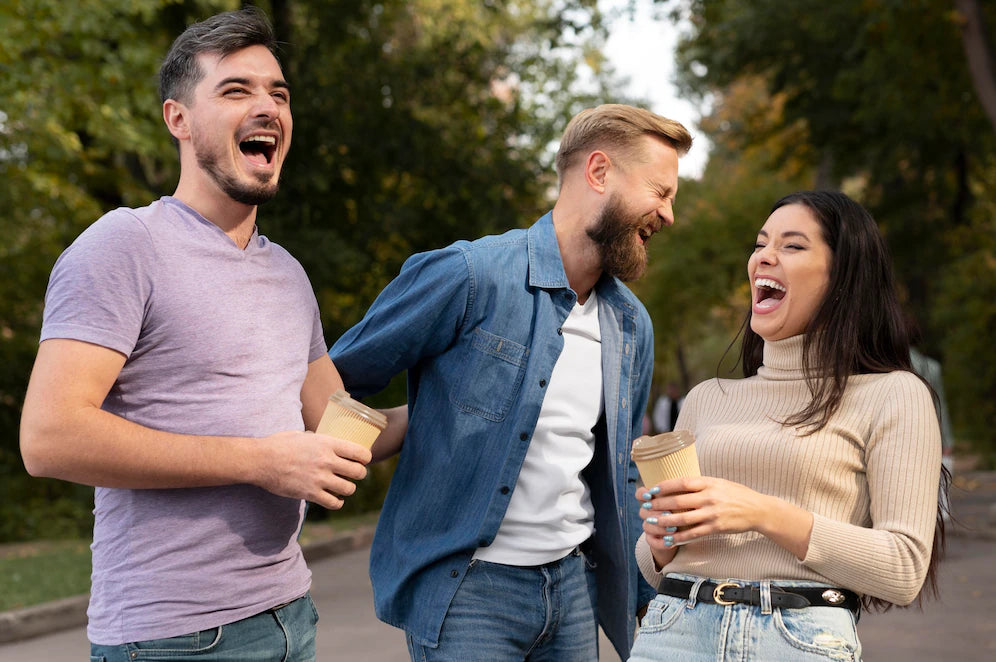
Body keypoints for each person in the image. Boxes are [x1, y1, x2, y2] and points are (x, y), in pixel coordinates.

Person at [19, 8, 399, 661]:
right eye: (236, 90)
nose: (268, 107)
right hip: (174, 638)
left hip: (290, 616)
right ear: (178, 119)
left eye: (278, 94)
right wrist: (260, 461)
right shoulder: (124, 246)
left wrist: (459, 402)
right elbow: (49, 438)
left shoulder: (286, 273)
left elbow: (336, 432)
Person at [329, 105, 693, 660]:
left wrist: (644, 596)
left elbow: (621, 469)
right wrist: (336, 462)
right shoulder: (470, 276)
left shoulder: (630, 325)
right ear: (599, 172)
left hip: (571, 587)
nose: (668, 215)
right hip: (469, 592)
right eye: (660, 191)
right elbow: (336, 379)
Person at [629, 190, 946, 661]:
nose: (765, 257)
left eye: (793, 246)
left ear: (844, 277)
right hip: (674, 627)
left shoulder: (894, 394)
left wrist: (762, 512)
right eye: (760, 244)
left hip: (797, 639)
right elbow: (655, 568)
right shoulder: (707, 398)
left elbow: (902, 569)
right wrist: (657, 544)